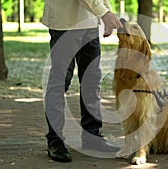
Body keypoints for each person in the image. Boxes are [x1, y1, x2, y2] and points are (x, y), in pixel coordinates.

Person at [42, 0, 123, 162]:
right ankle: (55, 141)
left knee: (91, 82)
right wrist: (104, 13)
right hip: (65, 23)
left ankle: (92, 138)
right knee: (59, 82)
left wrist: (106, 12)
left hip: (90, 22)